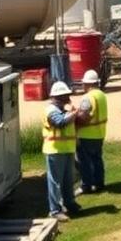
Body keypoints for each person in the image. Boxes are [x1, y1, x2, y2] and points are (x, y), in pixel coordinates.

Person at [43, 81, 82, 220]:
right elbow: (60, 123)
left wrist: (71, 113)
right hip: (55, 151)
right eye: (66, 95)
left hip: (65, 150)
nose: (68, 97)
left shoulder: (62, 110)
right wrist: (74, 114)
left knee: (67, 179)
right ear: (58, 97)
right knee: (55, 182)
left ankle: (69, 203)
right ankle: (55, 211)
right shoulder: (51, 111)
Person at [75, 69, 108, 193]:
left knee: (84, 163)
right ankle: (99, 183)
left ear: (88, 84)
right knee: (97, 160)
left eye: (83, 83)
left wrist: (74, 115)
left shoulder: (88, 97)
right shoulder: (102, 95)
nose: (83, 86)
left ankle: (86, 186)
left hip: (87, 135)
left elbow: (83, 117)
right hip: (99, 133)